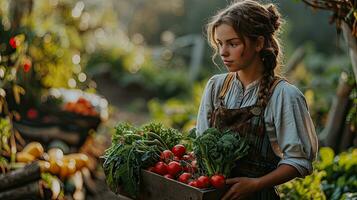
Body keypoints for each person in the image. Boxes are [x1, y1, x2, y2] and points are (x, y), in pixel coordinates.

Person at [195, 0, 318, 199]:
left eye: (233, 44)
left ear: (259, 43)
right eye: (220, 44)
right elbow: (200, 141)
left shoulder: (284, 95)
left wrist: (256, 184)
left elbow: (299, 161)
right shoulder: (216, 86)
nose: (223, 52)